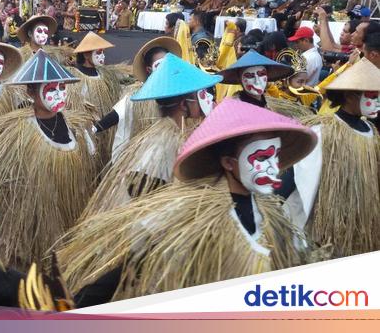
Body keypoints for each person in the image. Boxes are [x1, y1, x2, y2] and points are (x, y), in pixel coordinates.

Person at [59, 98, 315, 306]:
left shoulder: (273, 218)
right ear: (228, 163)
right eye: (261, 157)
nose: (273, 166)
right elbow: (135, 258)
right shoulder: (193, 215)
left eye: (276, 155)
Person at [0, 49, 99, 286]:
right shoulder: (17, 134)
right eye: (51, 89)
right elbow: (2, 185)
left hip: (68, 216)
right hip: (28, 226)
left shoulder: (77, 128)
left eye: (61, 88)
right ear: (30, 92)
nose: (58, 94)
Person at [80, 53, 219, 219]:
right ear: (183, 104)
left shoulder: (173, 135)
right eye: (201, 94)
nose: (209, 99)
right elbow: (138, 190)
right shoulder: (161, 145)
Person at [287, 58, 379, 257]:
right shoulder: (324, 130)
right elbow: (303, 178)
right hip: (329, 230)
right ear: (350, 96)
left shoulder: (371, 131)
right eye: (373, 95)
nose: (379, 101)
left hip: (361, 226)